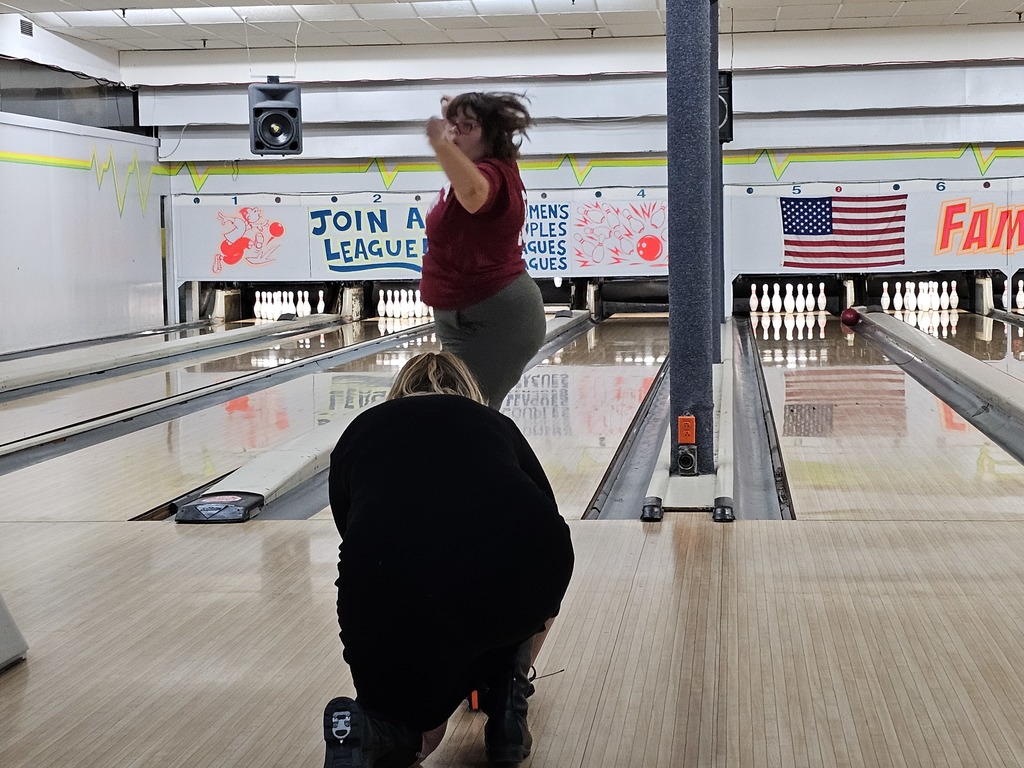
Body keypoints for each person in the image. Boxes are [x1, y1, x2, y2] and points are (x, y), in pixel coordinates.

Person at [323, 351, 574, 768]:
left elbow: (353, 534)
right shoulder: (496, 425)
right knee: (534, 565)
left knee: (418, 729)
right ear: (469, 391)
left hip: (389, 585)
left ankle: (379, 733)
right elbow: (544, 516)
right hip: (522, 575)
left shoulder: (359, 431)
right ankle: (508, 696)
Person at [420, 92, 547, 409]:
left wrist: (441, 143)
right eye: (453, 125)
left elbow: (475, 191)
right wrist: (456, 124)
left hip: (493, 318)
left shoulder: (493, 175)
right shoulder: (490, 168)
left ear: (490, 136)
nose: (456, 132)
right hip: (468, 314)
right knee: (464, 415)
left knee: (465, 416)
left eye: (468, 126)